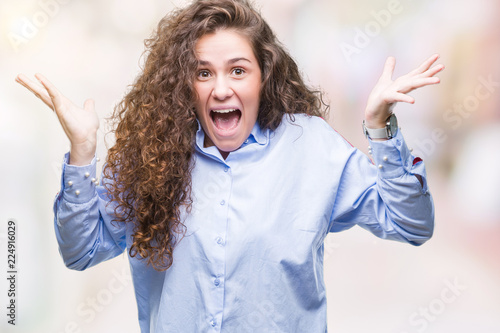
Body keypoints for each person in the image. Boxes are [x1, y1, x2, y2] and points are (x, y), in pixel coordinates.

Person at [16, 0, 443, 331]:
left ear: (264, 77)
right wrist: (82, 153)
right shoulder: (151, 157)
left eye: (238, 70)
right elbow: (80, 251)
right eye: (203, 73)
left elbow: (411, 224)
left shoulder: (310, 147)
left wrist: (381, 128)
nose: (221, 88)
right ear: (184, 82)